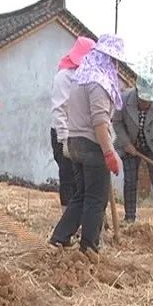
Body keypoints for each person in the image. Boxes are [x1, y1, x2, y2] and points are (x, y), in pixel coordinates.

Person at [48, 34, 125, 261]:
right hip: (92, 144)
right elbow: (100, 122)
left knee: (81, 195)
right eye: (114, 61)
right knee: (95, 198)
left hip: (75, 142)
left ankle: (60, 237)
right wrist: (109, 152)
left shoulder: (81, 77)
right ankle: (89, 247)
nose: (116, 66)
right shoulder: (98, 82)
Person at [113, 75, 153, 226]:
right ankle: (129, 218)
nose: (146, 103)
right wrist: (126, 143)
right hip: (130, 144)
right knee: (130, 181)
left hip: (152, 146)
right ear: (137, 92)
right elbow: (117, 122)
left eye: (149, 100)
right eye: (143, 99)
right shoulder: (124, 99)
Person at [50, 36, 96, 211]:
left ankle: (82, 216)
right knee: (68, 174)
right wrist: (63, 140)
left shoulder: (88, 79)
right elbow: (59, 110)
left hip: (81, 134)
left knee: (83, 178)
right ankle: (66, 216)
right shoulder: (63, 77)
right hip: (64, 133)